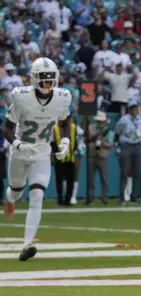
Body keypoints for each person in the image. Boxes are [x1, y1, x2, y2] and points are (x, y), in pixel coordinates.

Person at [3, 57, 72, 261]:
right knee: (16, 191)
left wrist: (66, 140)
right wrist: (16, 144)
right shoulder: (21, 97)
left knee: (37, 196)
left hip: (42, 151)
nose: (47, 84)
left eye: (50, 79)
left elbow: (66, 121)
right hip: (20, 151)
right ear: (34, 79)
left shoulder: (62, 97)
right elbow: (6, 128)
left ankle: (27, 244)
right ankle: (10, 200)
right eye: (43, 79)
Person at [114, 100, 141, 205]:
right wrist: (118, 146)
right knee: (124, 172)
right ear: (129, 109)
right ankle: (122, 197)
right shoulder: (123, 120)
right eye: (132, 108)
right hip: (126, 145)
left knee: (136, 172)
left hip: (137, 145)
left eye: (135, 108)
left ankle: (134, 196)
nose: (134, 110)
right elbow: (117, 132)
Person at [51, 117, 79, 206]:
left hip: (70, 157)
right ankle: (60, 199)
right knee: (59, 180)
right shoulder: (54, 128)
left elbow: (76, 140)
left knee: (70, 180)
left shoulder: (74, 127)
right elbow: (52, 143)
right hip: (59, 157)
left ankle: (68, 199)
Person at [86, 111, 112, 205]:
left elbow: (110, 144)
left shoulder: (108, 131)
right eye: (99, 121)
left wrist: (102, 143)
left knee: (104, 179)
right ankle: (90, 198)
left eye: (102, 121)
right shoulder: (91, 127)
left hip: (103, 156)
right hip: (92, 155)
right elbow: (88, 138)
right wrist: (96, 135)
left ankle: (104, 198)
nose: (100, 122)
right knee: (90, 179)